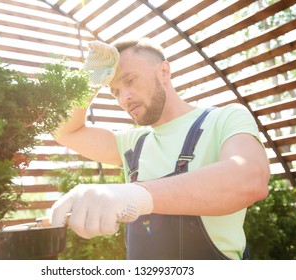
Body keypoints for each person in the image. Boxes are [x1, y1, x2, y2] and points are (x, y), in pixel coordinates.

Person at [50, 38, 270, 260]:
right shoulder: (133, 144)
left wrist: (138, 195)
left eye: (131, 80)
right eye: (114, 91)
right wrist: (88, 80)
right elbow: (63, 131)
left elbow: (250, 178)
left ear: (164, 71)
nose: (123, 98)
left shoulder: (224, 118)